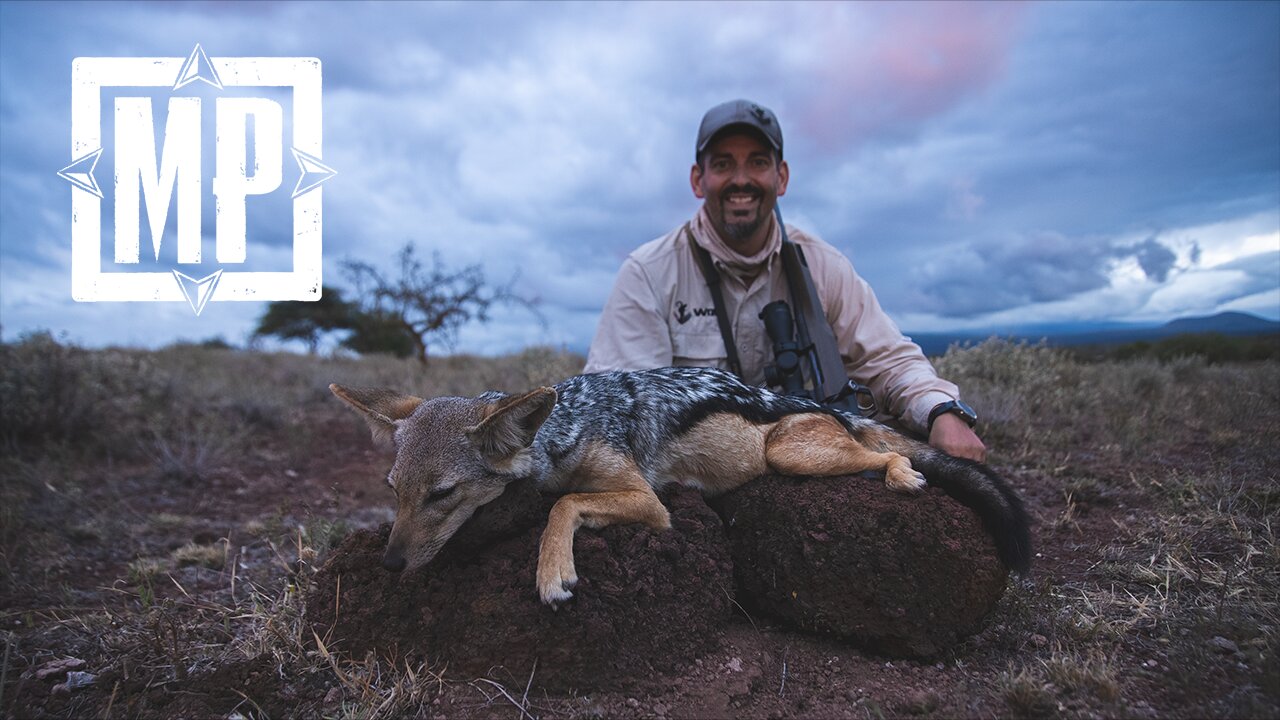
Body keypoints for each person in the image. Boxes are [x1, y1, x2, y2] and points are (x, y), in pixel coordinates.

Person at [584, 99, 986, 462]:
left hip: (808, 458)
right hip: (699, 479)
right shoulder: (649, 273)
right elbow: (616, 405)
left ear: (782, 177)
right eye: (723, 164)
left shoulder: (822, 265)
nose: (741, 179)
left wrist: (940, 410)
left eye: (757, 162)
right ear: (697, 179)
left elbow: (889, 360)